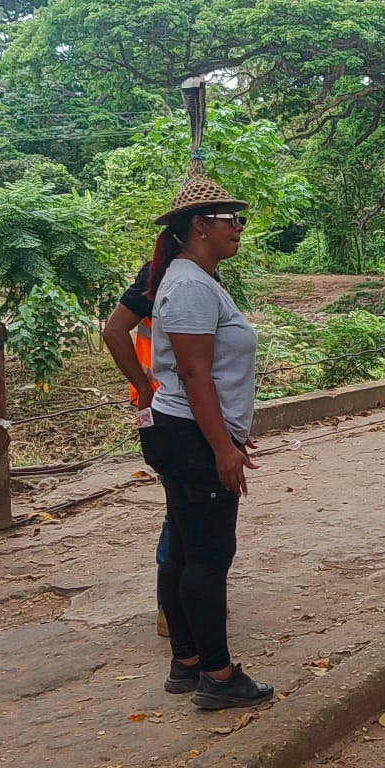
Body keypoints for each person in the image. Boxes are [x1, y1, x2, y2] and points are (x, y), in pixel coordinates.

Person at [137, 172, 273, 711]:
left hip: (185, 431)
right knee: (209, 555)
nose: (238, 228)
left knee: (186, 548)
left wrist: (230, 435)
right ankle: (218, 675)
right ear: (199, 226)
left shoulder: (194, 279)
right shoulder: (191, 286)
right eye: (229, 220)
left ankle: (187, 662)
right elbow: (195, 375)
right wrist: (221, 447)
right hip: (190, 435)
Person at [103, 262, 171, 638]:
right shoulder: (159, 273)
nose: (237, 233)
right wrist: (144, 388)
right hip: (167, 406)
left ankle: (182, 602)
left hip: (175, 402)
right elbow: (114, 330)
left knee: (187, 507)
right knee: (182, 508)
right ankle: (173, 606)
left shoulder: (201, 271)